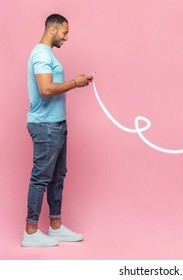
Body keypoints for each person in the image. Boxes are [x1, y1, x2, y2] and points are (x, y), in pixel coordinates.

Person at [21, 14, 92, 247]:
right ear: (52, 31)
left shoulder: (47, 54)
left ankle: (56, 227)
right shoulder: (41, 54)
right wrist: (75, 82)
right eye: (65, 32)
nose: (66, 37)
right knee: (41, 177)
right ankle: (30, 232)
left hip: (57, 124)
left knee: (58, 175)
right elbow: (46, 88)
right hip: (46, 126)